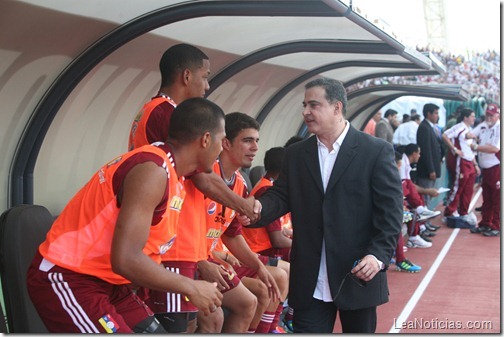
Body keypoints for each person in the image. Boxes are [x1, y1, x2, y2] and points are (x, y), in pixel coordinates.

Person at [26, 98, 225, 333]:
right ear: (205, 139)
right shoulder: (153, 171)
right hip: (69, 277)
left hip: (109, 284)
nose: (222, 149)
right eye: (222, 140)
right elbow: (126, 259)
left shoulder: (172, 173)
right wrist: (191, 287)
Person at [250, 78, 403, 333]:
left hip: (357, 275)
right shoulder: (297, 154)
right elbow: (280, 197)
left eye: (314, 105)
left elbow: (390, 213)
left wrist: (377, 257)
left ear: (337, 107)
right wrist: (255, 210)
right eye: (304, 105)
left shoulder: (375, 151)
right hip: (310, 279)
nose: (305, 112)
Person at [128, 43, 257, 221]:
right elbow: (203, 177)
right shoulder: (168, 113)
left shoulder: (153, 109)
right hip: (167, 220)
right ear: (187, 76)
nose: (207, 86)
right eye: (205, 77)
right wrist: (243, 206)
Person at [197, 112, 285, 333]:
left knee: (253, 297)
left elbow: (231, 234)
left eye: (257, 141)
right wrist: (204, 261)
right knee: (219, 312)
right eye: (247, 140)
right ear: (225, 143)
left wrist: (258, 267)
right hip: (192, 260)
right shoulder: (203, 176)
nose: (255, 147)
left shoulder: (240, 183)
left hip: (212, 258)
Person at [442, 108, 480, 222]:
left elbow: (471, 149)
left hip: (470, 162)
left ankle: (464, 211)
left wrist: (476, 164)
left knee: (468, 189)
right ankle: (449, 211)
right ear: (465, 117)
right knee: (458, 187)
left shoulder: (470, 129)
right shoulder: (459, 127)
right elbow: (445, 135)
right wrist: (454, 149)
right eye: (472, 116)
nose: (474, 118)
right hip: (462, 161)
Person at [467, 103, 500, 236]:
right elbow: (469, 134)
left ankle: (496, 226)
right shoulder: (484, 125)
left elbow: (495, 148)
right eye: (487, 114)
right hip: (486, 167)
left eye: (492, 114)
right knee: (486, 198)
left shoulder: (499, 128)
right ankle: (485, 223)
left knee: (497, 199)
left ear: (498, 115)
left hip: (496, 167)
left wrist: (475, 147)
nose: (489, 117)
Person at [416, 103, 444, 207]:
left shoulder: (430, 127)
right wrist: (431, 169)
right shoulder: (424, 127)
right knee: (425, 197)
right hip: (426, 171)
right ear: (429, 114)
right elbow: (426, 150)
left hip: (431, 169)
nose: (438, 116)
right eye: (436, 113)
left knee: (429, 197)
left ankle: (426, 222)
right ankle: (423, 222)